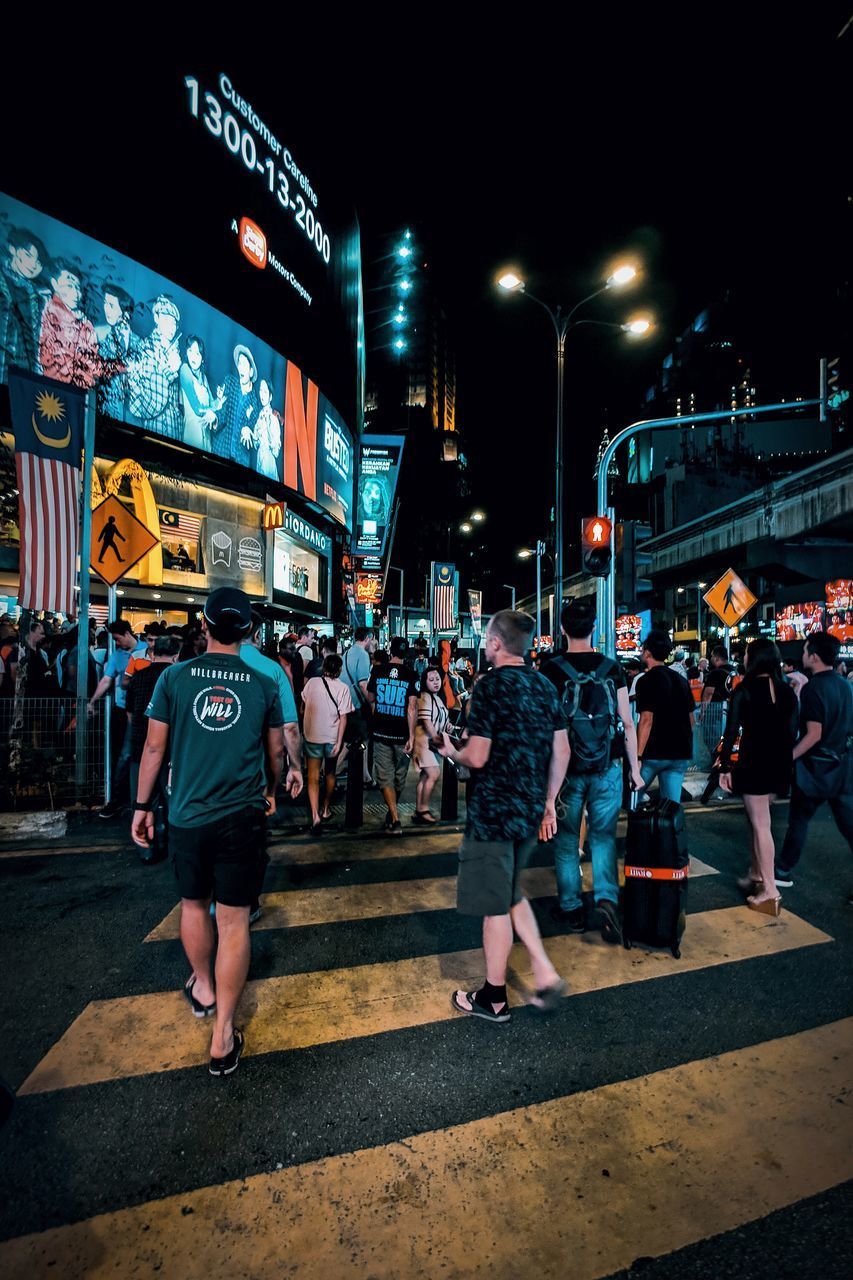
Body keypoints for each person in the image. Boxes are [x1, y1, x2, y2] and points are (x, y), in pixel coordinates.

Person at [131, 587, 302, 1077]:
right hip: (241, 816)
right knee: (232, 922)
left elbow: (153, 750)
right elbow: (273, 753)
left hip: (186, 814)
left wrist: (143, 806)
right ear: (249, 632)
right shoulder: (264, 683)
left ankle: (202, 986)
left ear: (203, 627)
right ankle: (223, 1034)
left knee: (192, 906)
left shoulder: (174, 678)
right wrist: (270, 789)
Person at [438, 610, 570, 1021]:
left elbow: (477, 756)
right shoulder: (546, 686)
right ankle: (544, 970)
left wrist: (450, 751)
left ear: (496, 643)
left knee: (495, 904)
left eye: (486, 639)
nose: (483, 644)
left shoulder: (490, 687)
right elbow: (561, 751)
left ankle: (493, 998)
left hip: (493, 811)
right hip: (530, 809)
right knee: (511, 892)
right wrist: (549, 802)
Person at [541, 601, 644, 941]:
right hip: (608, 765)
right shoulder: (612, 668)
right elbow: (627, 723)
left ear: (562, 629)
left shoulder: (550, 668)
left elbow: (543, 725)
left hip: (566, 769)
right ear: (595, 628)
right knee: (602, 837)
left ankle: (571, 908)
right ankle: (606, 900)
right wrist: (635, 769)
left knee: (568, 840)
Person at [718, 638, 798, 915]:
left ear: (753, 659)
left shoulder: (745, 690)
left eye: (746, 654)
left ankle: (769, 890)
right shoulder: (786, 691)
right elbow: (791, 732)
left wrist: (725, 767)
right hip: (779, 764)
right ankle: (755, 873)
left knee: (761, 823)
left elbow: (731, 733)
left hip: (754, 763)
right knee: (758, 821)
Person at [775, 631, 853, 893]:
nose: (803, 654)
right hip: (841, 767)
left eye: (806, 649)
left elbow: (813, 735)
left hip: (814, 770)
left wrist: (786, 757)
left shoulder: (814, 687)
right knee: (849, 827)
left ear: (815, 656)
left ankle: (783, 871)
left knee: (799, 821)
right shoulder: (845, 685)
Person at [126, 635, 181, 864]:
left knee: (142, 799)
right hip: (170, 751)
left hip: (139, 746)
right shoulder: (177, 679)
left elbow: (129, 712)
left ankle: (145, 848)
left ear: (153, 653)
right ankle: (175, 849)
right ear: (176, 656)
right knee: (172, 801)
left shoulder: (138, 677)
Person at [87, 620, 146, 816]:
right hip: (123, 710)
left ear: (127, 633)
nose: (117, 642)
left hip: (145, 711)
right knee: (125, 755)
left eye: (117, 638)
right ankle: (120, 799)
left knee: (139, 754)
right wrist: (93, 700)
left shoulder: (147, 650)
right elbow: (106, 679)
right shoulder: (116, 656)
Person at [635, 630, 697, 804]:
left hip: (653, 753)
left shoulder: (645, 680)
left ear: (647, 653)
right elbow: (692, 720)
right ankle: (668, 831)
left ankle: (638, 831)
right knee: (670, 807)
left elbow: (646, 720)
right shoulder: (681, 680)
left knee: (632, 797)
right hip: (680, 752)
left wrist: (638, 756)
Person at [367, 636, 418, 835]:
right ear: (406, 654)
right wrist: (412, 736)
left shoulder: (378, 671)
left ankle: (393, 813)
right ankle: (396, 818)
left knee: (385, 777)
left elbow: (371, 698)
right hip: (402, 734)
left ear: (391, 651)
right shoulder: (411, 674)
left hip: (380, 731)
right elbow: (412, 708)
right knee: (399, 778)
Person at [301, 653, 352, 834]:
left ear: (324, 667)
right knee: (330, 773)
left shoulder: (312, 683)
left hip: (312, 736)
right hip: (331, 738)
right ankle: (325, 809)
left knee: (313, 777)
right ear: (338, 669)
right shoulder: (343, 688)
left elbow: (304, 705)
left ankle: (314, 815)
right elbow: (343, 717)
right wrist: (339, 742)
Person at [38, 258, 102, 389]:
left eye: (77, 288)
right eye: (69, 285)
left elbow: (94, 365)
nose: (76, 293)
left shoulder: (86, 323)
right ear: (54, 284)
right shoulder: (43, 310)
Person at [127, 294, 183, 438]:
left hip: (175, 431)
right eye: (167, 320)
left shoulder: (174, 351)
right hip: (155, 429)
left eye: (175, 322)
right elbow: (149, 405)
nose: (172, 327)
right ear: (157, 318)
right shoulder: (146, 348)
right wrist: (170, 371)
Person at [0, 225, 48, 381]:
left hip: (22, 375)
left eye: (39, 263)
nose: (33, 265)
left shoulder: (39, 298)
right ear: (12, 249)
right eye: (28, 255)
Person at [96, 284, 140, 420]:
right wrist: (125, 367)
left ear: (126, 312)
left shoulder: (139, 342)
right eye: (105, 303)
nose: (106, 309)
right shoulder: (98, 334)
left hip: (131, 418)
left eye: (112, 305)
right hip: (102, 412)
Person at [412, 666, 449, 824]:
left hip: (429, 743)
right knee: (433, 773)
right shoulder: (425, 697)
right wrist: (435, 737)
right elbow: (426, 721)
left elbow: (444, 722)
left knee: (425, 776)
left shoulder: (437, 698)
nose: (435, 682)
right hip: (424, 742)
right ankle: (423, 810)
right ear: (424, 682)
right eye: (431, 680)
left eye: (437, 679)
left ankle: (419, 810)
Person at [179, 334, 222, 452]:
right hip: (192, 435)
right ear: (186, 353)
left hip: (207, 439)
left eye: (198, 353)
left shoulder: (203, 378)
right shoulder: (184, 370)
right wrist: (213, 411)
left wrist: (219, 400)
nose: (193, 356)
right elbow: (198, 408)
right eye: (190, 351)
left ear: (202, 358)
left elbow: (213, 404)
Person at [254, 378, 282, 480]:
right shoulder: (259, 415)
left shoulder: (273, 417)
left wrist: (268, 429)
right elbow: (255, 442)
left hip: (268, 461)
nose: (262, 394)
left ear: (270, 396)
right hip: (259, 458)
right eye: (261, 390)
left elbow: (276, 450)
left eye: (265, 391)